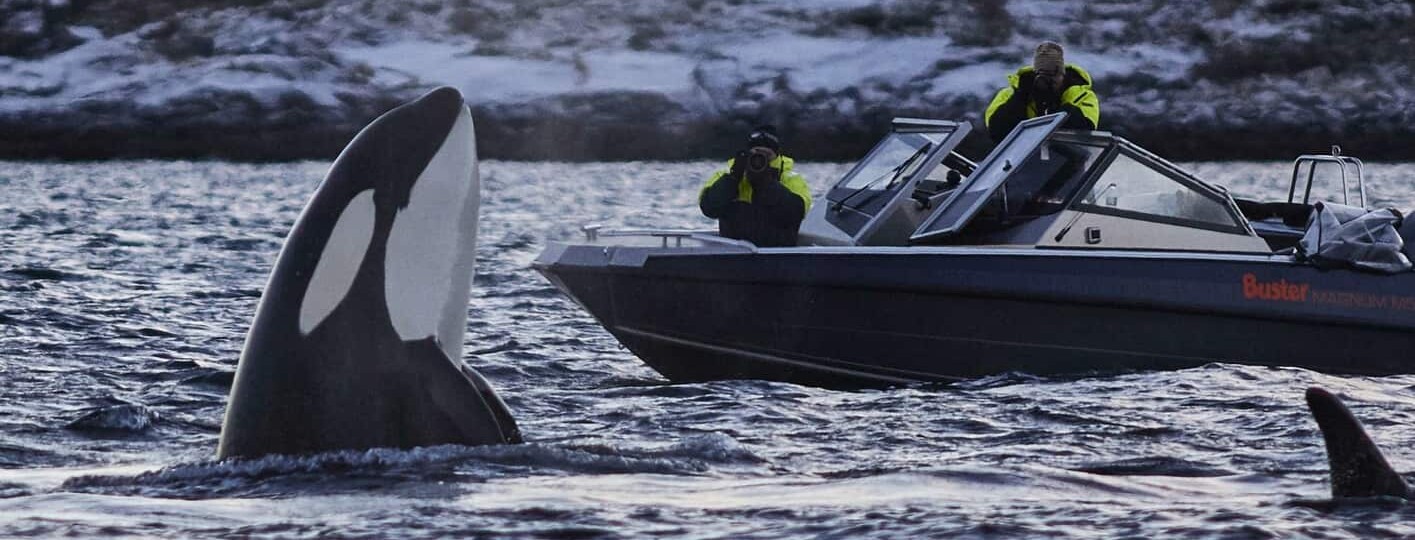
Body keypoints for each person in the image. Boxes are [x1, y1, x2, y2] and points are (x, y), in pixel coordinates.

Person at [698, 125, 812, 247]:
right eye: (756, 154)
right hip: (733, 252)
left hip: (776, 254)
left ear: (776, 155)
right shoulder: (728, 174)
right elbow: (709, 208)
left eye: (766, 156)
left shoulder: (791, 178)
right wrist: (733, 178)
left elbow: (796, 214)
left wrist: (766, 183)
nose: (760, 160)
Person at [984, 41, 1101, 142]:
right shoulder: (1009, 94)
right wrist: (1021, 97)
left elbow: (1086, 129)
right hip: (1020, 162)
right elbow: (997, 132)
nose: (1051, 80)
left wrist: (1056, 104)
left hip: (1069, 163)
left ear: (1063, 75)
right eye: (1043, 75)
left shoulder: (1082, 95)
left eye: (1055, 75)